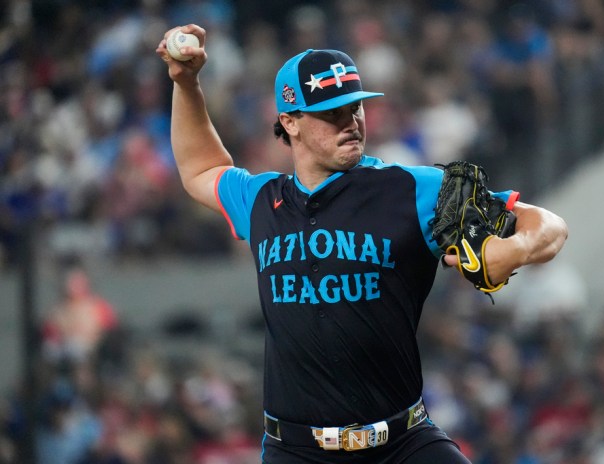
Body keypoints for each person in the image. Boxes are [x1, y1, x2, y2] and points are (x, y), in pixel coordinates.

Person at [156, 24, 568, 464]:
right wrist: (186, 83)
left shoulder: (412, 189)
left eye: (355, 108)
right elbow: (200, 170)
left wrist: (515, 248)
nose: (350, 123)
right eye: (332, 113)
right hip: (297, 451)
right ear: (290, 122)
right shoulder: (261, 200)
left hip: (402, 443)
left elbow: (550, 225)